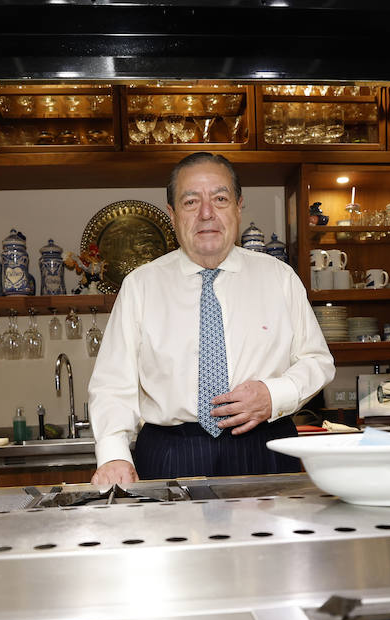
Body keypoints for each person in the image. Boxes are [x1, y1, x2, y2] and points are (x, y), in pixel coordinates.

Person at [88, 152, 334, 486]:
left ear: (238, 207)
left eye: (220, 199)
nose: (207, 213)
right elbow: (113, 384)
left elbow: (316, 361)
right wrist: (114, 453)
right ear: (173, 216)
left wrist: (273, 395)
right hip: (168, 453)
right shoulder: (140, 286)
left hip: (264, 446)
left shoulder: (279, 277)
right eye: (191, 202)